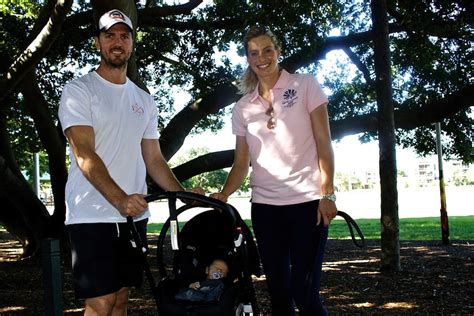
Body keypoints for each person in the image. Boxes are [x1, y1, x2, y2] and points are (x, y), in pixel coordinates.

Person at [58, 9, 203, 315]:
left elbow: (154, 159)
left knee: (121, 300)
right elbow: (84, 153)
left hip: (133, 217)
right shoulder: (79, 90)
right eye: (109, 35)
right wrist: (120, 199)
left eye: (124, 36)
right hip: (92, 215)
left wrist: (183, 195)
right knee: (101, 303)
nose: (117, 42)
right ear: (98, 42)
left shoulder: (143, 99)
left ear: (132, 43)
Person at [210, 26, 337, 315]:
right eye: (254, 53)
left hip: (307, 205)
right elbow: (242, 162)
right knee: (279, 296)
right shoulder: (242, 107)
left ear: (277, 51)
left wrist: (327, 193)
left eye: (267, 50)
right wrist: (225, 193)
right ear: (248, 59)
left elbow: (323, 143)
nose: (262, 57)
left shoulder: (305, 85)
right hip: (266, 209)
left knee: (304, 293)